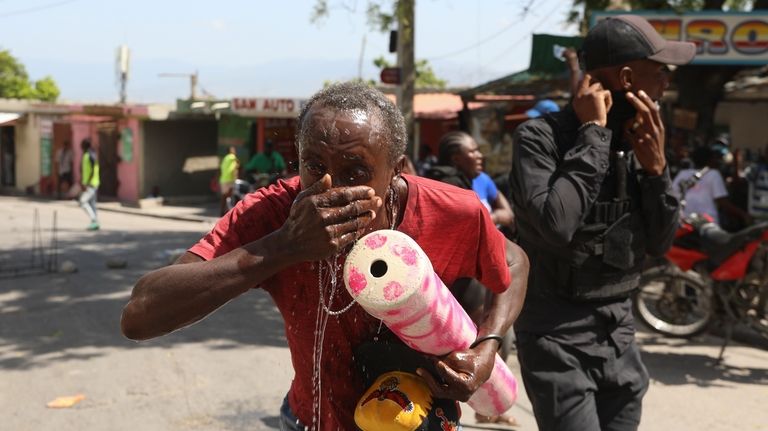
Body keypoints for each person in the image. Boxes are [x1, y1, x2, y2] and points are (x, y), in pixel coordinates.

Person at [120, 82, 529, 431]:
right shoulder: (276, 214)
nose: (330, 189)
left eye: (356, 172)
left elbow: (513, 260)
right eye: (315, 167)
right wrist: (282, 246)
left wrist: (488, 344)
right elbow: (139, 314)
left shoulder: (450, 211)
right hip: (307, 420)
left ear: (396, 171)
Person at [509, 15, 694, 430]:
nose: (667, 81)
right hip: (557, 336)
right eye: (660, 70)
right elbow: (556, 224)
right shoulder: (540, 139)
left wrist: (657, 171)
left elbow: (661, 244)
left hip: (619, 333)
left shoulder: (641, 144)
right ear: (627, 77)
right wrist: (594, 133)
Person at [672, 145, 750, 227]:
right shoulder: (714, 174)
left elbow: (673, 195)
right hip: (707, 223)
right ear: (710, 160)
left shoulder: (682, 174)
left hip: (684, 222)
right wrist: (743, 214)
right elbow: (722, 201)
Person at [79, 138, 100, 231]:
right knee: (92, 204)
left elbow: (92, 170)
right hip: (92, 183)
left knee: (83, 202)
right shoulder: (90, 154)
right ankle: (95, 223)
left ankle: (94, 220)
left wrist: (88, 182)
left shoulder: (89, 155)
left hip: (91, 183)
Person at [218, 146, 239, 216]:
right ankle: (230, 212)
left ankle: (222, 212)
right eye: (234, 150)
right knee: (231, 196)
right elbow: (236, 167)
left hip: (223, 179)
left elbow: (220, 169)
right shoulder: (232, 157)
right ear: (231, 151)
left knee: (224, 196)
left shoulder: (225, 158)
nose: (235, 151)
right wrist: (236, 177)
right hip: (230, 179)